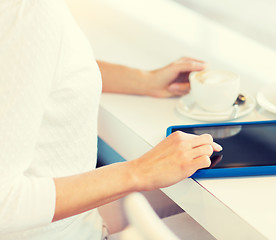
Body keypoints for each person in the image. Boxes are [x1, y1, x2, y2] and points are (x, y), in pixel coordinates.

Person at [0, 1, 222, 239]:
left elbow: (32, 61)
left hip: (68, 221)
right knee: (216, 221)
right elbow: (5, 204)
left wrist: (144, 80)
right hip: (60, 231)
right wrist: (141, 171)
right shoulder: (29, 10)